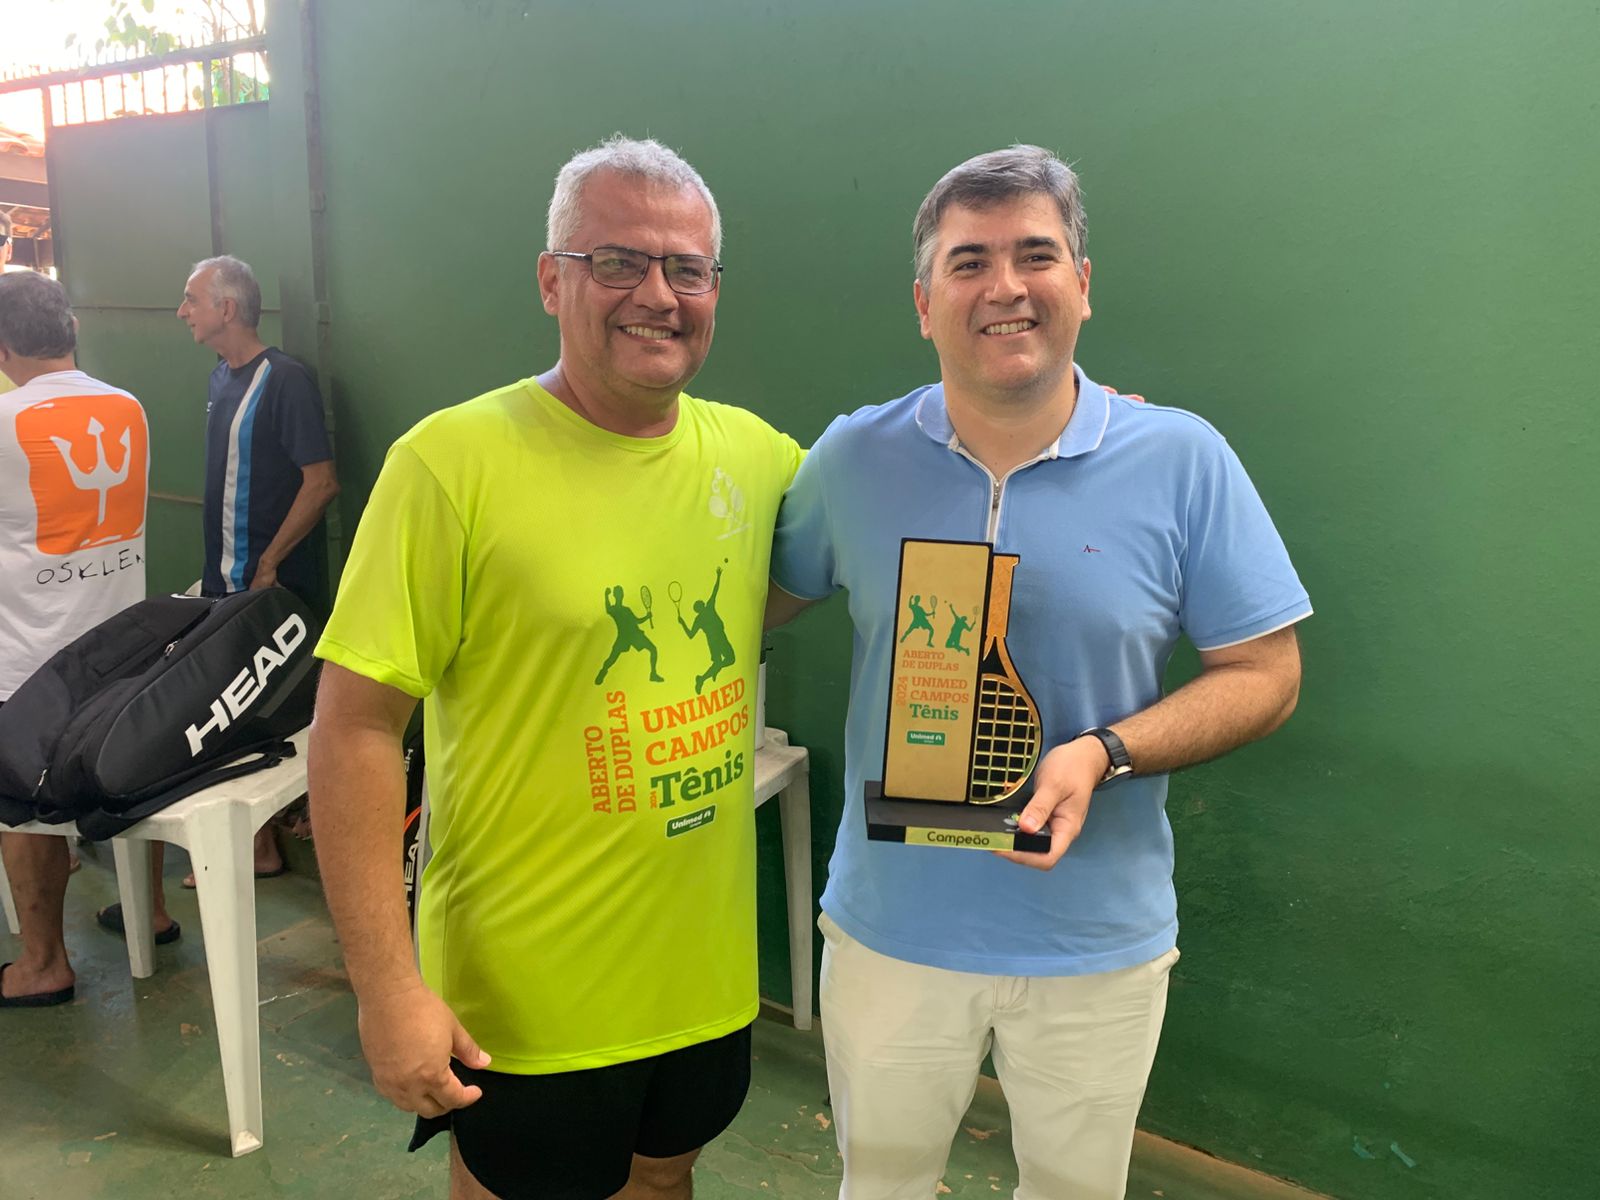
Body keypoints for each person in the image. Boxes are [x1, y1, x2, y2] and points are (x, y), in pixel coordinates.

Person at [769, 145, 1311, 1200]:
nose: (1004, 287)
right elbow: (745, 602)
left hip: (1095, 943)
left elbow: (1266, 672)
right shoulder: (850, 461)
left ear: (1082, 283)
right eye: (968, 262)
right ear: (924, 303)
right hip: (891, 934)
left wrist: (1107, 751)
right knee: (879, 1185)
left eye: (1035, 255)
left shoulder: (1183, 459)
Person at [308, 136, 802, 1200]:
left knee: (663, 1183)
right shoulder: (449, 465)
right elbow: (352, 728)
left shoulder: (759, 457)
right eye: (617, 261)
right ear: (551, 280)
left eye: (687, 269)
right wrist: (386, 988)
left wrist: (1076, 418)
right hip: (523, 1006)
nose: (657, 295)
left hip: (703, 990)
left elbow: (862, 530)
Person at [92, 254, 339, 939]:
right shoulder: (219, 377)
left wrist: (269, 564)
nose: (183, 312)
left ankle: (273, 844)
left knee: (266, 716)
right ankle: (258, 848)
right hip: (224, 585)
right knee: (231, 716)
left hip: (270, 591)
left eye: (191, 299)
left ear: (227, 308)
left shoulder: (283, 380)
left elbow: (321, 482)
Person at [0, 271, 149, 1006]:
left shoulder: (4, 422)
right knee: (132, 775)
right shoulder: (128, 407)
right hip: (123, 654)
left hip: (32, 670)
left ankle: (43, 963)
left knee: (19, 804)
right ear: (73, 330)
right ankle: (150, 917)